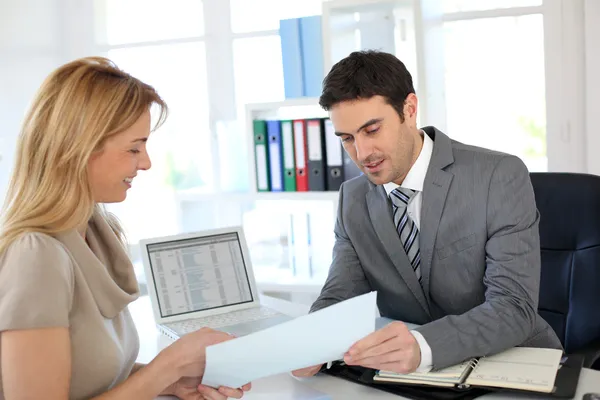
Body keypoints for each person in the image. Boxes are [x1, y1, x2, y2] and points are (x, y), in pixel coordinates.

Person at [293, 50, 562, 377]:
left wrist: (424, 346)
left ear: (409, 109)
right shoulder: (353, 197)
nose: (362, 154)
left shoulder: (498, 176)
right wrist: (308, 340)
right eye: (347, 139)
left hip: (513, 366)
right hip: (416, 377)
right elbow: (340, 294)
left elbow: (513, 308)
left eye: (372, 130)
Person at [0, 57, 251, 400]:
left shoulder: (93, 232)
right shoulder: (35, 256)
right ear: (78, 148)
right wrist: (170, 365)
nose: (146, 163)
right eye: (134, 148)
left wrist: (167, 382)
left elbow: (88, 375)